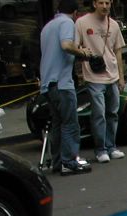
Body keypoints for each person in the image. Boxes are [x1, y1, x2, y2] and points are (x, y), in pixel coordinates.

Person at [40, 0, 92, 175]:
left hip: (48, 83)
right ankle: (69, 161)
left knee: (58, 123)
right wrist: (83, 53)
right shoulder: (67, 23)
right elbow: (66, 45)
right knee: (70, 123)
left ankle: (58, 162)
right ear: (76, 13)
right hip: (62, 83)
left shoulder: (48, 26)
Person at [76, 0, 126, 163]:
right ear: (94, 4)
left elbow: (118, 52)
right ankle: (100, 149)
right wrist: (85, 54)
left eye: (107, 3)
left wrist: (121, 77)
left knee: (112, 113)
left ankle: (111, 147)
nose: (105, 6)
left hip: (112, 76)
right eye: (101, 2)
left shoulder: (114, 25)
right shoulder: (82, 23)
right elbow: (75, 47)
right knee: (99, 114)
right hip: (94, 76)